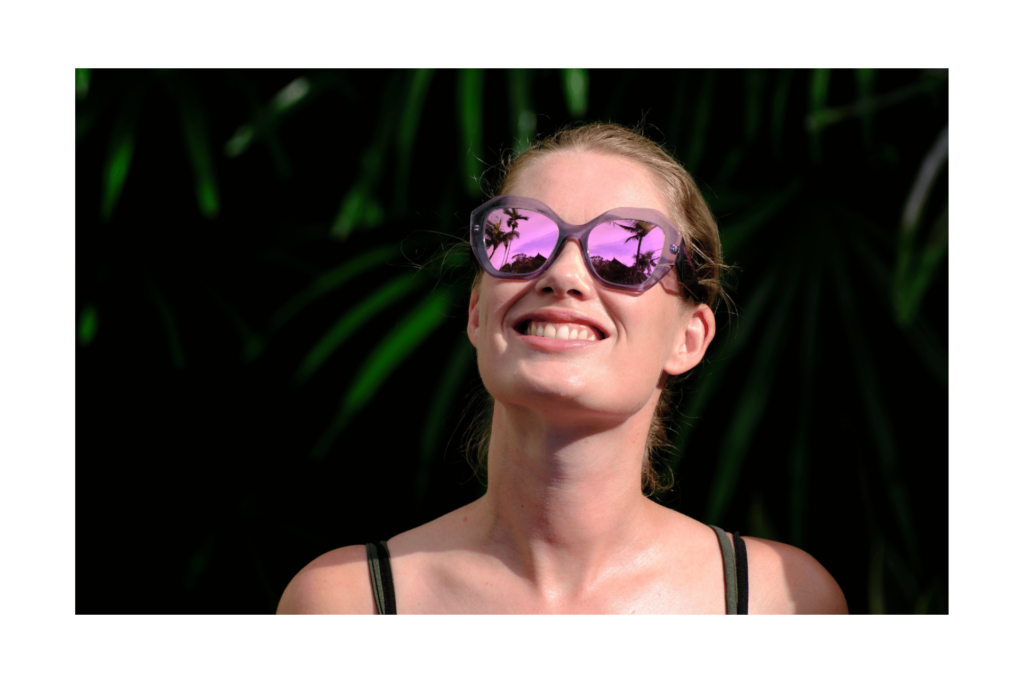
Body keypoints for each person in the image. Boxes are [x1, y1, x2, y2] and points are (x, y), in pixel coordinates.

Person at [277, 123, 848, 614]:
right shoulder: (346, 605)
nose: (564, 274)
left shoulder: (780, 603)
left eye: (629, 252)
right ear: (478, 311)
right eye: (520, 236)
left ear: (689, 337)